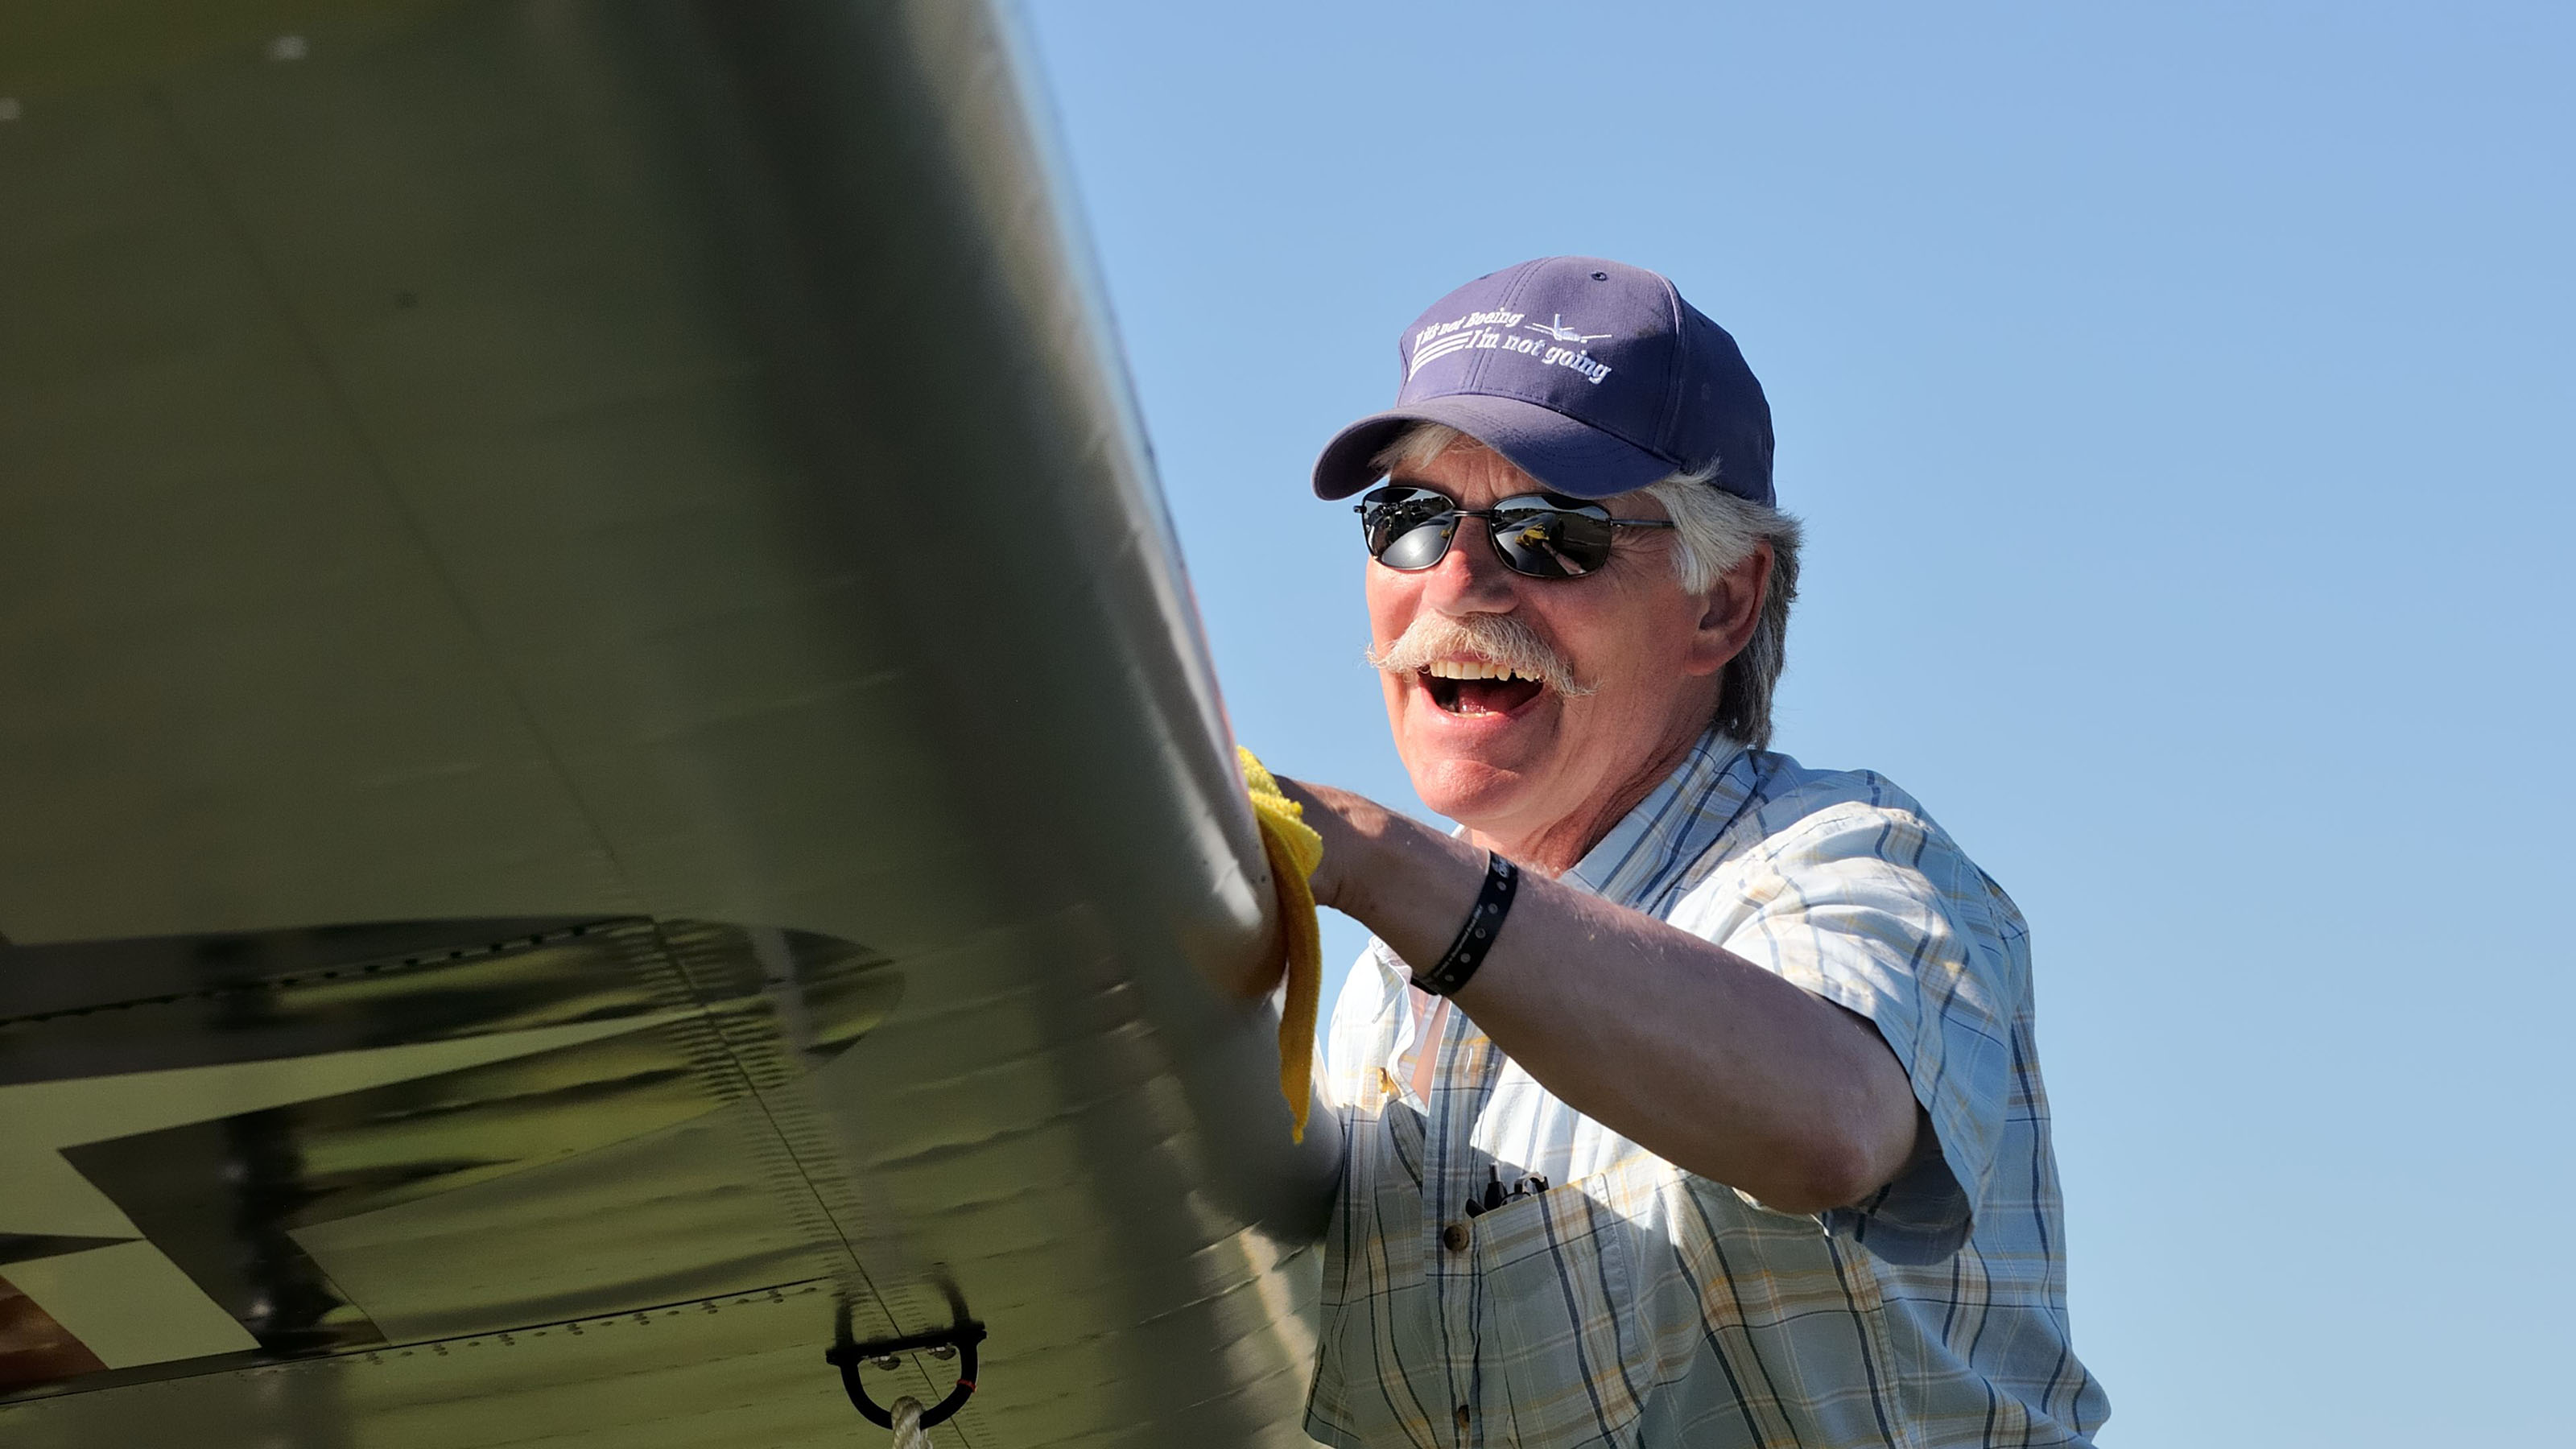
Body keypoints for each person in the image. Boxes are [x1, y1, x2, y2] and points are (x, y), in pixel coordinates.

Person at [1262, 257, 2109, 1447]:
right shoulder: (1369, 1007)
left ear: (1723, 603)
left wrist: (1379, 862)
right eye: (1408, 521)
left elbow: (1833, 1126)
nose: (1458, 580)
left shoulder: (1845, 864)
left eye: (1546, 532)